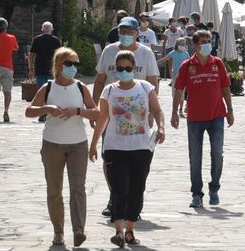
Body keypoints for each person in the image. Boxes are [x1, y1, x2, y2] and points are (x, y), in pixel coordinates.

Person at [90, 51, 166, 248]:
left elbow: (157, 110)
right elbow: (103, 118)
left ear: (134, 68)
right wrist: (94, 143)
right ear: (116, 69)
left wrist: (162, 127)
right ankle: (118, 231)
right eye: (120, 69)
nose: (124, 72)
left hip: (141, 147)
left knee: (137, 189)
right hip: (115, 147)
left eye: (128, 68)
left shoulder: (145, 87)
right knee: (119, 188)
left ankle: (130, 229)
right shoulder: (109, 90)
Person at [26, 48, 100, 248]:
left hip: (78, 143)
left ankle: (78, 230)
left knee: (78, 188)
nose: (74, 68)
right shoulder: (48, 88)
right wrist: (47, 109)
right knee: (54, 190)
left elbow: (96, 113)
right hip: (52, 143)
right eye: (70, 64)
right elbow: (29, 111)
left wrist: (78, 111)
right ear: (59, 66)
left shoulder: (81, 87)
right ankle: (58, 232)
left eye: (76, 64)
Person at [94, 16, 159, 220]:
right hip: (112, 114)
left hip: (138, 115)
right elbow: (100, 79)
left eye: (130, 31)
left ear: (137, 33)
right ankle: (115, 198)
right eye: (122, 30)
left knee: (136, 159)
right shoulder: (109, 51)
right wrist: (96, 109)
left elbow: (153, 82)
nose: (126, 35)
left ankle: (131, 202)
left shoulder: (146, 53)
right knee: (110, 157)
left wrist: (151, 113)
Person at [171, 29, 234, 208]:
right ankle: (196, 193)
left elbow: (225, 87)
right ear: (196, 45)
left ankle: (214, 188)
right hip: (195, 117)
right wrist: (174, 112)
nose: (208, 44)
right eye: (204, 41)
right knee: (195, 156)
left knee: (217, 153)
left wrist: (230, 109)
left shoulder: (218, 63)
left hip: (216, 115)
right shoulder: (187, 65)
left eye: (209, 40)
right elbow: (179, 90)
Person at [30, 21, 63, 121]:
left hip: (39, 69)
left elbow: (32, 55)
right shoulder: (56, 41)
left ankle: (42, 112)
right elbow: (60, 56)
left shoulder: (37, 40)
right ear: (51, 30)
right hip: (52, 70)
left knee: (41, 91)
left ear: (42, 29)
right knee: (51, 91)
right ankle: (50, 111)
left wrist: (31, 68)